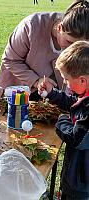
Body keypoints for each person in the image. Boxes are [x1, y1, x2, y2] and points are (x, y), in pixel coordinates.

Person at [0, 0, 89, 100]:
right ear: (59, 28)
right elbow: (10, 60)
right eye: (69, 42)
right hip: (18, 92)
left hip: (55, 96)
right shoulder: (31, 26)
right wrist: (36, 81)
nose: (72, 49)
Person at [38, 40, 89, 199]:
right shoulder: (85, 94)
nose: (65, 83)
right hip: (77, 174)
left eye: (66, 80)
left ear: (82, 80)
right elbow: (74, 103)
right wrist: (53, 94)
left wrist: (62, 120)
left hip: (81, 183)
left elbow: (76, 138)